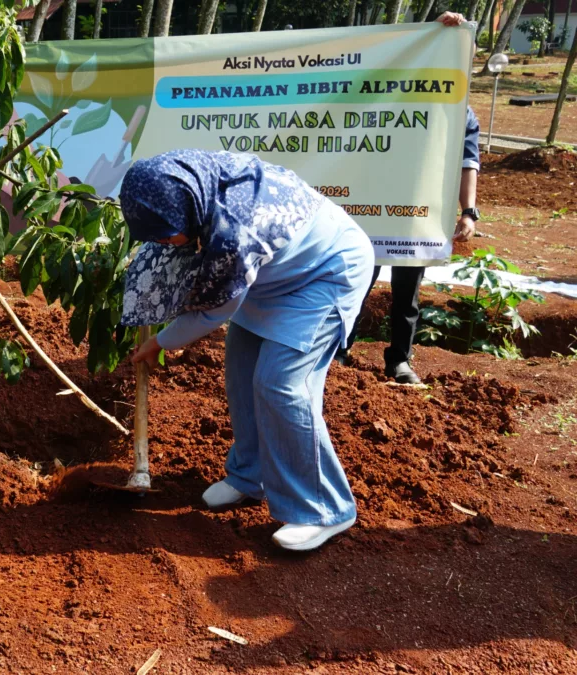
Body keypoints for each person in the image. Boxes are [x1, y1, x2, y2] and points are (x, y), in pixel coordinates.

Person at [123, 149, 374, 551]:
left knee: (281, 384)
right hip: (272, 275)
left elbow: (212, 312)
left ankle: (324, 507)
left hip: (324, 275)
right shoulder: (195, 188)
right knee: (241, 374)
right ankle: (250, 475)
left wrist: (160, 341)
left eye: (166, 233)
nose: (163, 242)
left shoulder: (234, 232)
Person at [336, 11, 480, 384]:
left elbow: (468, 162)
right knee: (356, 280)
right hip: (369, 209)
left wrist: (469, 212)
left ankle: (398, 361)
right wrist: (431, 31)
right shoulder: (388, 94)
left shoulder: (460, 113)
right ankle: (338, 349)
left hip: (416, 214)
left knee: (407, 292)